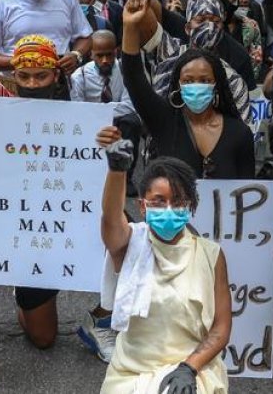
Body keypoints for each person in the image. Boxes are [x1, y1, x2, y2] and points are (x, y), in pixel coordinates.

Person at [0, 0, 114, 356]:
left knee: (128, 238)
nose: (30, 82)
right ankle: (25, 298)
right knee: (44, 339)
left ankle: (103, 316)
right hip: (28, 229)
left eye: (40, 74)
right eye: (23, 75)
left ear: (56, 73)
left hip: (71, 216)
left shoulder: (78, 104)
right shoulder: (0, 99)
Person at [97, 129, 230, 394]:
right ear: (143, 206)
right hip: (130, 373)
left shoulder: (210, 254)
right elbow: (111, 218)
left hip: (192, 370)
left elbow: (221, 327)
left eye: (178, 201)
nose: (168, 209)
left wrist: (189, 368)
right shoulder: (129, 244)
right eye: (158, 202)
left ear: (190, 205)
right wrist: (116, 170)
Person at [121, 0, 255, 178]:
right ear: (177, 85)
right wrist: (130, 27)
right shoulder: (164, 121)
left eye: (205, 80)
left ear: (218, 85)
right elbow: (133, 77)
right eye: (188, 81)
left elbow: (247, 191)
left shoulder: (239, 133)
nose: (197, 86)